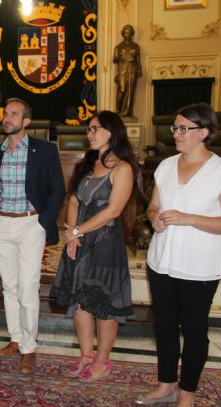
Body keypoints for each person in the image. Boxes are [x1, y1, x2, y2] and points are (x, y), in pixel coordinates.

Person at [137, 103, 221, 407]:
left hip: (198, 266)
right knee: (164, 326)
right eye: (175, 128)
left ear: (204, 133)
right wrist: (155, 219)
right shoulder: (165, 166)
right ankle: (166, 384)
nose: (176, 134)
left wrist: (189, 219)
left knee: (194, 330)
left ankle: (187, 395)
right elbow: (153, 206)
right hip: (161, 260)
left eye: (183, 129)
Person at [50, 111, 136, 382]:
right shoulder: (85, 165)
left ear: (113, 132)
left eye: (95, 128)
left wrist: (77, 231)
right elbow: (74, 202)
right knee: (80, 299)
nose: (90, 133)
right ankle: (86, 355)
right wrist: (73, 236)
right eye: (88, 129)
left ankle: (102, 360)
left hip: (105, 243)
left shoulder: (122, 168)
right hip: (80, 240)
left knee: (103, 301)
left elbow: (113, 211)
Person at [0, 98, 65, 374]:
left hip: (31, 224)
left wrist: (44, 221)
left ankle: (29, 348)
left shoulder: (44, 150)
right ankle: (15, 338)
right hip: (1, 225)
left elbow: (57, 190)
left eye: (13, 114)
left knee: (28, 287)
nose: (7, 118)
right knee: (10, 287)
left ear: (26, 121)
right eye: (5, 113)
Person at [113, 25, 142, 118]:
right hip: (122, 70)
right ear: (123, 33)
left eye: (129, 31)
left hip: (133, 68)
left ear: (132, 33)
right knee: (122, 89)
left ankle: (127, 112)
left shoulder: (136, 46)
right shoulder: (118, 47)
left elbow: (138, 60)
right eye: (125, 31)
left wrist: (139, 69)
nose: (127, 33)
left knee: (131, 91)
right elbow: (115, 60)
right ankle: (118, 110)